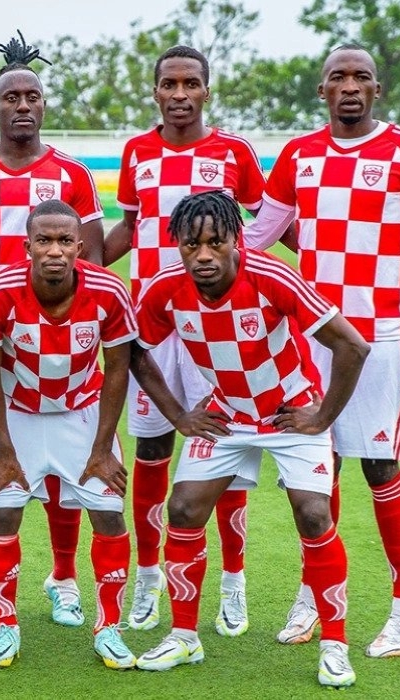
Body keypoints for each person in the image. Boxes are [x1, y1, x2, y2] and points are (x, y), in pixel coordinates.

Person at [245, 44, 400, 658]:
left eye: (362, 76)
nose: (351, 86)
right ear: (323, 91)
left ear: (377, 89)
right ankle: (316, 594)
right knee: (317, 472)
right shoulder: (298, 155)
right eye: (339, 77)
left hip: (381, 342)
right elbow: (258, 239)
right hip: (310, 343)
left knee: (379, 468)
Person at [128, 191, 368, 688]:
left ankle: (335, 645)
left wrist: (322, 417)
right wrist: (178, 415)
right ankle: (185, 637)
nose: (205, 255)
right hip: (225, 415)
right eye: (192, 245)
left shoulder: (273, 275)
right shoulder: (165, 289)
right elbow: (132, 350)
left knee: (314, 514)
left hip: (287, 414)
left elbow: (352, 344)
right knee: (184, 509)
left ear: (236, 239)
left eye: (216, 242)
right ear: (177, 245)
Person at [0, 31, 105, 627]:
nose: (23, 105)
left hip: (57, 343)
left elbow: (96, 264)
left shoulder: (73, 174)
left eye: (33, 95)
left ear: (44, 104)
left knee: (60, 470)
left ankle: (62, 578)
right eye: (12, 97)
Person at [102, 45, 271, 636]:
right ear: (155, 92)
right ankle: (149, 579)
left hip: (217, 325)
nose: (179, 94)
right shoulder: (137, 151)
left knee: (221, 452)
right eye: (168, 84)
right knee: (151, 454)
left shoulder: (233, 152)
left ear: (206, 90)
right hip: (154, 324)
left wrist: (323, 264)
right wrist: (77, 270)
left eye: (190, 84)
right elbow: (129, 227)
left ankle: (234, 582)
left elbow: (267, 222)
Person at [0, 200, 139, 669]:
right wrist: (3, 451)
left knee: (108, 515)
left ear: (80, 247)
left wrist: (103, 448)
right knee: (3, 513)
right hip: (18, 415)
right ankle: (5, 627)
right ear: (28, 246)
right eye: (44, 241)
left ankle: (109, 629)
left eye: (65, 241)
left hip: (81, 416)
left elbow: (118, 368)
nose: (55, 251)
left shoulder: (108, 290)